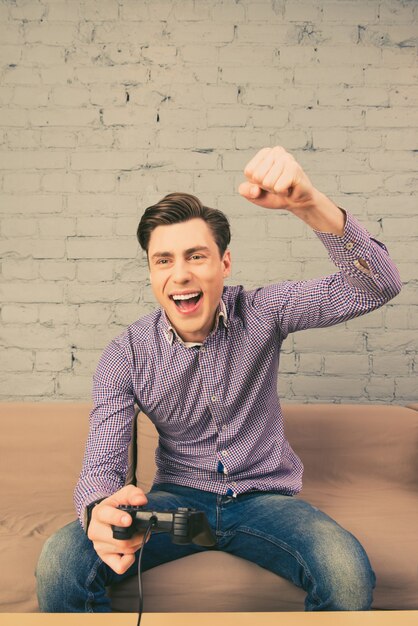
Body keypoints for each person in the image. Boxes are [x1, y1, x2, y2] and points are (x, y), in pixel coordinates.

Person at [36, 146, 402, 612]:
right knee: (58, 563)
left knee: (346, 573)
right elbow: (102, 461)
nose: (181, 274)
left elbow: (378, 285)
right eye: (164, 260)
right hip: (175, 503)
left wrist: (308, 205)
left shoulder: (265, 312)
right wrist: (97, 509)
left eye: (196, 256)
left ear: (224, 264)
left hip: (264, 500)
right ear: (151, 272)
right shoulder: (124, 354)